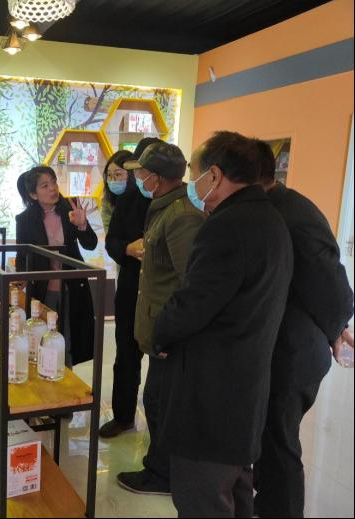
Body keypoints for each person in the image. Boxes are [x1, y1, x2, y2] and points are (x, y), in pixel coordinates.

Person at [150, 131, 293, 518]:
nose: (192, 184)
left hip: (210, 399)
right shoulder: (271, 219)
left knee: (203, 499)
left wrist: (160, 333)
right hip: (244, 390)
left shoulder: (227, 226)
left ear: (213, 175)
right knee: (237, 495)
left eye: (195, 174)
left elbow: (193, 304)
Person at [253, 138, 354, 518]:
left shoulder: (293, 214)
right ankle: (266, 504)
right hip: (278, 345)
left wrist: (337, 329)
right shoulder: (268, 207)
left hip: (295, 351)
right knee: (268, 438)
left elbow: (331, 284)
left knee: (280, 442)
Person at [117, 142, 204, 494]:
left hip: (169, 332)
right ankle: (161, 467)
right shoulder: (163, 207)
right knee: (156, 401)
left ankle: (163, 474)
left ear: (158, 176)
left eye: (142, 172)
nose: (137, 177)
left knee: (160, 403)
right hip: (160, 328)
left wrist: (173, 333)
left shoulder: (181, 216)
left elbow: (190, 284)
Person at [99, 137, 161, 438]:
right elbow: (111, 241)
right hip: (129, 288)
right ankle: (123, 416)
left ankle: (161, 427)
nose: (139, 176)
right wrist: (127, 248)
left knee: (162, 360)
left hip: (163, 293)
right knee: (125, 354)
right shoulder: (127, 201)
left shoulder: (181, 201)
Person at [15, 165, 98, 367]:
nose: (52, 188)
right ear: (33, 194)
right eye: (45, 185)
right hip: (43, 290)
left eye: (53, 183)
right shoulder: (25, 220)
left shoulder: (70, 210)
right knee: (43, 340)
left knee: (68, 340)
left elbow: (90, 244)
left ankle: (66, 380)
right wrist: (20, 280)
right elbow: (22, 256)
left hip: (72, 287)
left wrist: (82, 225)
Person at [100, 149, 134, 233]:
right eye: (109, 175)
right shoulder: (108, 199)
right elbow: (109, 231)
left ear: (132, 174)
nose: (112, 180)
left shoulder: (143, 197)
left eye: (118, 174)